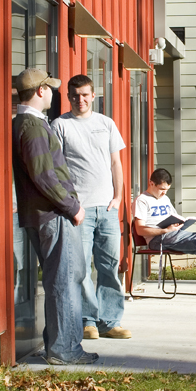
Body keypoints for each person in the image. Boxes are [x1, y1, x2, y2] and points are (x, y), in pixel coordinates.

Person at [11, 67, 98, 365]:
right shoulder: (31, 127)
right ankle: (64, 350)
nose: (53, 92)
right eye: (50, 88)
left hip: (47, 213)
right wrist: (73, 207)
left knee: (64, 277)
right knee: (64, 280)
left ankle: (61, 345)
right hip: (53, 214)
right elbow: (45, 176)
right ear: (40, 91)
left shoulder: (27, 123)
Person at [52, 74, 131, 341]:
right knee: (82, 268)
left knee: (109, 266)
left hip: (107, 209)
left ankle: (110, 321)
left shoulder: (105, 124)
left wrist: (118, 199)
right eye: (75, 95)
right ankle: (88, 321)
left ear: (93, 95)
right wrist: (70, 204)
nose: (80, 99)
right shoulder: (60, 125)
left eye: (85, 94)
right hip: (80, 211)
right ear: (68, 96)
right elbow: (57, 168)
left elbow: (115, 164)